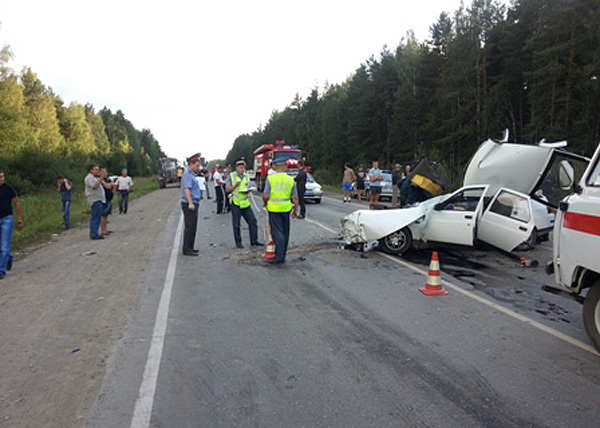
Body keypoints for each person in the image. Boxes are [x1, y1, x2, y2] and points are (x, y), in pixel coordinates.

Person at [262, 156, 299, 264]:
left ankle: (279, 257)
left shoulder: (270, 179)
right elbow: (295, 197)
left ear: (274, 167)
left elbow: (265, 195)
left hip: (274, 209)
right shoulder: (290, 179)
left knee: (277, 233)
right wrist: (295, 209)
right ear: (285, 167)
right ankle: (282, 254)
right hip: (286, 208)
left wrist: (265, 203)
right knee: (285, 232)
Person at [225, 159, 263, 249]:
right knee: (236, 224)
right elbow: (227, 189)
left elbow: (249, 185)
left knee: (253, 221)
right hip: (236, 203)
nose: (242, 170)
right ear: (237, 168)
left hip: (245, 203)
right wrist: (235, 186)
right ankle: (238, 243)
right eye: (241, 168)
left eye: (243, 168)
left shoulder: (246, 176)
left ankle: (254, 241)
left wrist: (250, 189)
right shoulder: (232, 176)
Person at [0, 171, 24, 280]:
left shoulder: (8, 189)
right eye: (0, 177)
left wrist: (19, 219)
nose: (1, 179)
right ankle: (8, 257)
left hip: (7, 219)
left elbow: (16, 203)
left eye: (2, 176)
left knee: (5, 246)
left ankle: (1, 270)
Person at [181, 154, 202, 256]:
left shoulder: (192, 174)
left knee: (193, 226)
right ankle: (187, 249)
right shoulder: (188, 174)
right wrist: (190, 202)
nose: (198, 168)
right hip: (190, 203)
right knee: (189, 226)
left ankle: (190, 247)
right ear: (191, 164)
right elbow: (186, 189)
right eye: (197, 166)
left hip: (194, 202)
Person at [84, 164, 106, 240]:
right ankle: (94, 234)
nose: (97, 171)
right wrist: (101, 178)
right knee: (95, 217)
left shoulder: (94, 178)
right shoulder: (88, 178)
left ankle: (95, 232)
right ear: (91, 170)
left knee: (97, 217)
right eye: (96, 169)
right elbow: (94, 186)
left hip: (99, 199)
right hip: (94, 200)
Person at [100, 168, 115, 236]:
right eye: (103, 172)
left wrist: (111, 185)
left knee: (106, 215)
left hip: (109, 198)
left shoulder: (107, 179)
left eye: (105, 171)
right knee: (103, 215)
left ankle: (105, 229)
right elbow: (108, 186)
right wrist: (111, 185)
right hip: (104, 198)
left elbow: (113, 185)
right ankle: (102, 230)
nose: (105, 173)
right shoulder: (101, 180)